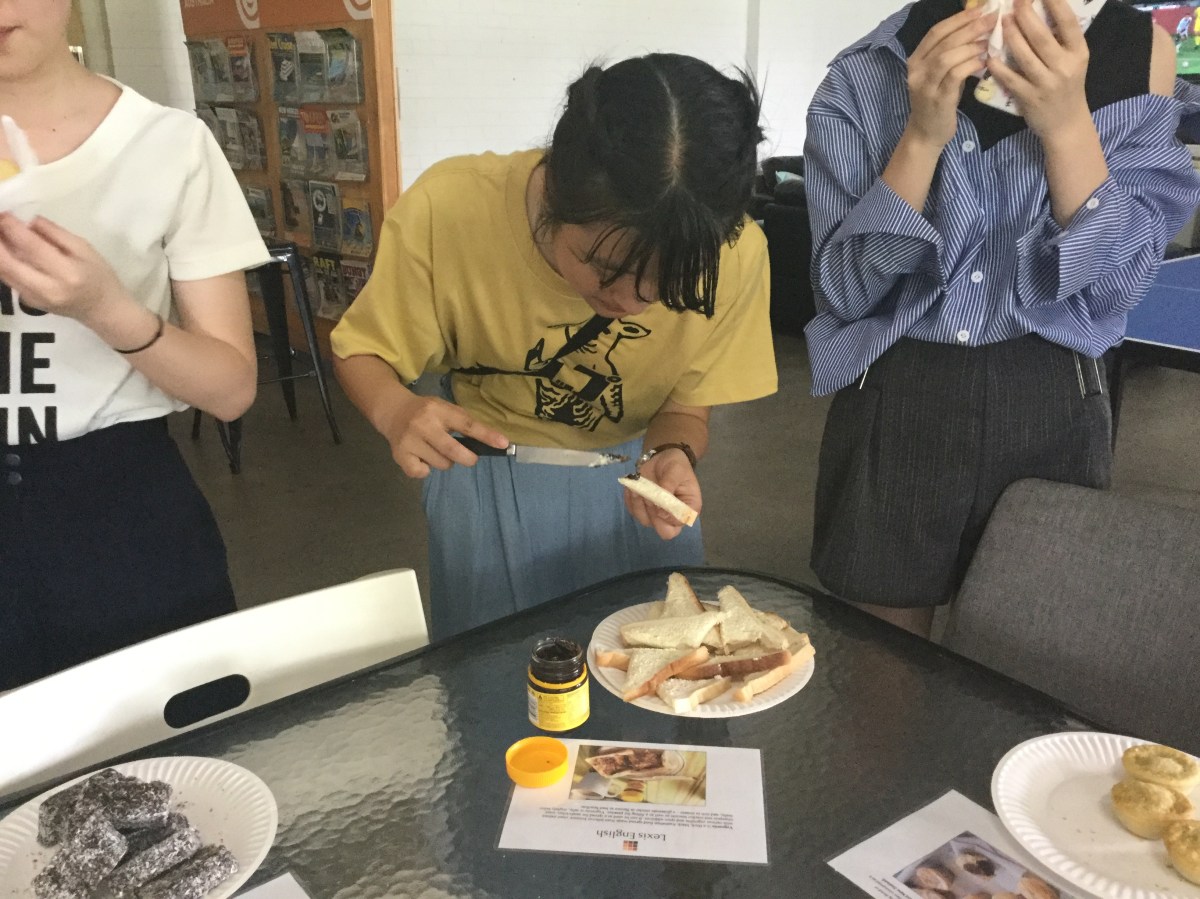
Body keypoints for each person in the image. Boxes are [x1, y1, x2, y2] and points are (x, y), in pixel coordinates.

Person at [332, 54, 776, 640]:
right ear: (554, 194)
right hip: (488, 477)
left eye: (664, 287)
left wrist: (672, 453)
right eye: (602, 267)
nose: (630, 302)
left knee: (654, 673)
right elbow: (362, 350)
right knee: (493, 674)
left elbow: (686, 410)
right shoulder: (451, 210)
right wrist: (395, 411)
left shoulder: (735, 256)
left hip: (636, 489)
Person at [804, 0, 1200, 636]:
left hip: (1053, 392)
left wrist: (1068, 129)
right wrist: (921, 137)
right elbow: (846, 293)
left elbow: (1117, 287)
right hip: (898, 390)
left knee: (1024, 655)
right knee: (880, 665)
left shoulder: (1138, 49)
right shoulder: (870, 68)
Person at [0, 0, 271, 689]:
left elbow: (231, 389)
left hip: (117, 508)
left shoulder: (168, 146)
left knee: (171, 743)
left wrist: (105, 308)